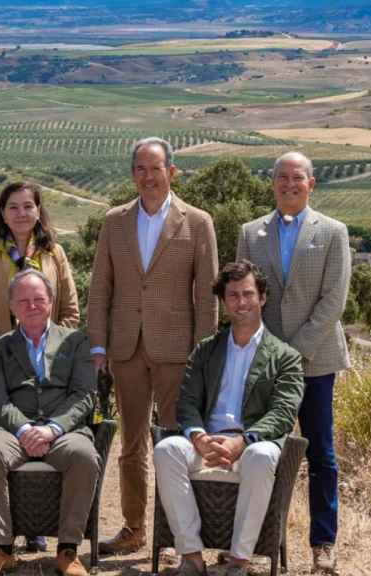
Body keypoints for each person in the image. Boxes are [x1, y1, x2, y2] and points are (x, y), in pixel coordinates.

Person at [87, 137, 219, 554]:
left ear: (172, 172)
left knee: (176, 443)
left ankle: (175, 532)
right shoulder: (114, 221)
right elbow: (100, 289)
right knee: (131, 445)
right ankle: (133, 528)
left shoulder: (198, 222)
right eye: (140, 169)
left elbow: (206, 295)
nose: (148, 176)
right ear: (133, 174)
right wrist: (98, 346)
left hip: (179, 352)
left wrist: (204, 352)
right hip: (126, 348)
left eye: (155, 168)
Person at [237, 151, 351, 575]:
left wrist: (294, 351)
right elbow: (245, 297)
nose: (289, 184)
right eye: (281, 177)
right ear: (272, 183)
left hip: (317, 360)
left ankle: (324, 544)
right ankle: (258, 544)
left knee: (321, 453)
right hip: (264, 362)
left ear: (311, 184)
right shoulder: (250, 233)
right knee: (262, 451)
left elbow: (333, 300)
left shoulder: (335, 232)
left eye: (297, 178)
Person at [154, 260, 305, 576]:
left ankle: (239, 561)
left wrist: (242, 441)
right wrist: (198, 437)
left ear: (262, 298)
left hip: (252, 442)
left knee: (262, 457)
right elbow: (188, 403)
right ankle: (192, 557)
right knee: (166, 450)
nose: (241, 302)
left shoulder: (285, 356)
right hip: (206, 442)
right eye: (233, 295)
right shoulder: (206, 350)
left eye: (248, 294)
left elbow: (283, 413)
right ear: (224, 302)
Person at [0, 269, 98, 576]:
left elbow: (85, 395)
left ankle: (68, 551)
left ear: (51, 302)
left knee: (85, 456)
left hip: (63, 430)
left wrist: (53, 428)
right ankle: (1, 549)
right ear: (12, 305)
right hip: (15, 430)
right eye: (23, 300)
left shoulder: (77, 342)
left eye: (39, 299)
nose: (32, 306)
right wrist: (25, 430)